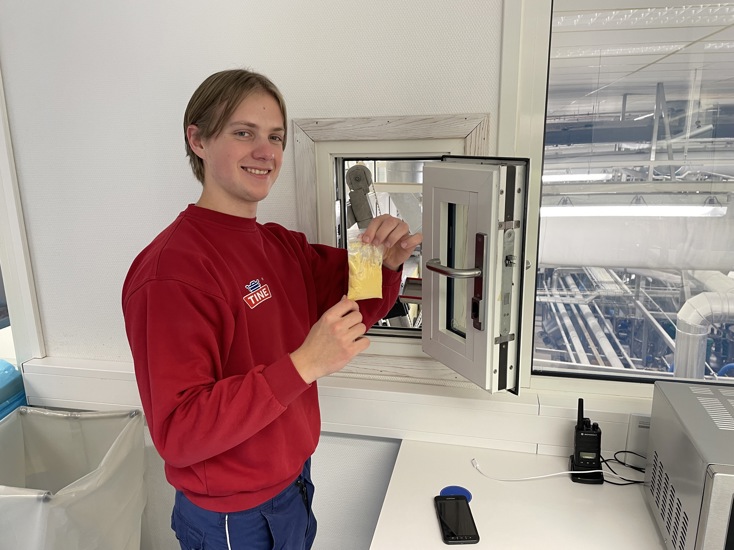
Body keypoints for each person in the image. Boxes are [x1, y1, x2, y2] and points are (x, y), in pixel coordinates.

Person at [121, 68, 422, 550]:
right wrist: (302, 365)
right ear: (198, 141)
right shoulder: (172, 272)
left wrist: (383, 263)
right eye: (244, 133)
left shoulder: (281, 246)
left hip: (293, 485)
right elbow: (178, 432)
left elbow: (352, 311)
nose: (266, 152)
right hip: (232, 517)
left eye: (275, 137)